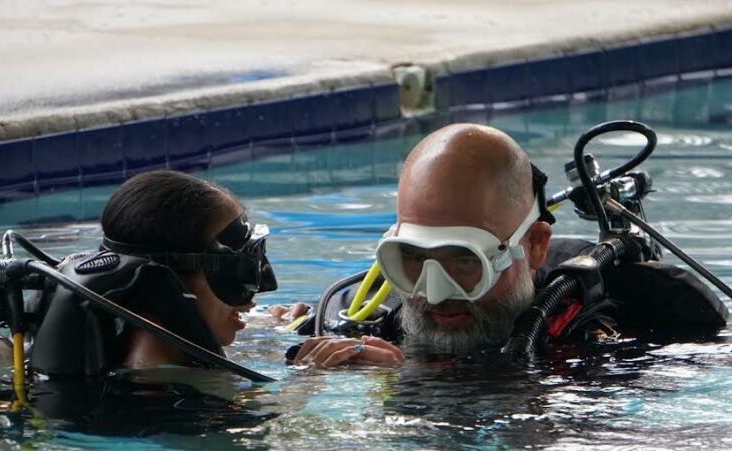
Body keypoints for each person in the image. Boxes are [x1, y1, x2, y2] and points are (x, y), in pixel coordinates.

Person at [283, 123, 727, 366]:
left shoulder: (633, 331)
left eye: (463, 260)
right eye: (413, 260)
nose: (433, 293)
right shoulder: (362, 321)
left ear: (534, 246)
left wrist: (408, 386)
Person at [29, 169, 277, 374]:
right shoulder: (167, 388)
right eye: (240, 273)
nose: (263, 288)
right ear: (168, 284)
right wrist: (310, 375)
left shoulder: (115, 351)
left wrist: (288, 325)